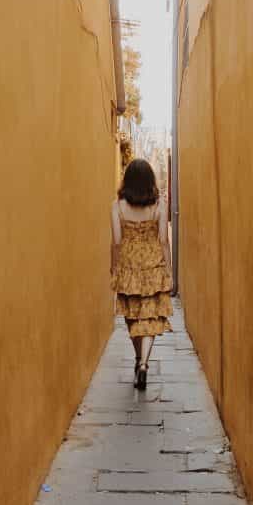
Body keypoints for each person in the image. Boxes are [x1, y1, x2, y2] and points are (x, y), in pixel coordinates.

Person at [110, 158, 173, 390]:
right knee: (150, 318)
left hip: (129, 267)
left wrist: (114, 267)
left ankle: (138, 359)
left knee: (133, 316)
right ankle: (144, 364)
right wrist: (168, 270)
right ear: (149, 181)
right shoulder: (159, 204)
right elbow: (164, 241)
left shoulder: (117, 206)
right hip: (153, 267)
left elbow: (117, 242)